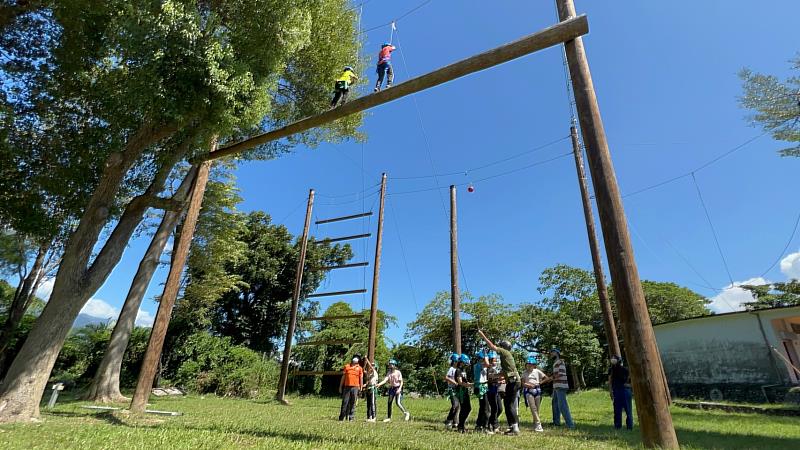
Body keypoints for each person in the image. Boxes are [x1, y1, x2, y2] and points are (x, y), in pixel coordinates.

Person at [478, 329, 521, 435]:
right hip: (514, 381)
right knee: (508, 404)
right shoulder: (506, 358)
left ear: (504, 347)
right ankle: (513, 427)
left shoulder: (505, 352)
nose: (499, 348)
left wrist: (482, 334)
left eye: (500, 346)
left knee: (509, 405)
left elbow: (492, 346)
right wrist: (495, 376)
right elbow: (504, 373)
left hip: (513, 381)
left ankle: (515, 428)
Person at [548, 348, 575, 429]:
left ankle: (570, 425)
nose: (551, 354)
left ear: (557, 353)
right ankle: (556, 422)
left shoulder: (560, 362)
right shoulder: (555, 363)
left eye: (552, 352)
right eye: (551, 353)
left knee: (562, 405)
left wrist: (550, 378)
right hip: (556, 386)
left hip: (561, 386)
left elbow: (560, 374)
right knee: (555, 404)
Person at [521, 355, 549, 432]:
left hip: (538, 390)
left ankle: (535, 424)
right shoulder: (524, 373)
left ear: (534, 365)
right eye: (528, 364)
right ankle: (538, 424)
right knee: (533, 408)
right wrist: (528, 385)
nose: (529, 366)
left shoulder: (537, 371)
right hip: (529, 391)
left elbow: (546, 378)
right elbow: (522, 383)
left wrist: (540, 383)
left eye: (531, 365)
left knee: (537, 409)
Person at [608, 355, 633, 430]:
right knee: (617, 410)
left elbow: (631, 379)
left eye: (614, 358)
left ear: (619, 360)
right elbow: (610, 381)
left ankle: (629, 426)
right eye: (612, 358)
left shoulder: (625, 370)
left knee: (628, 410)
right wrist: (611, 391)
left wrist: (629, 385)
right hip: (616, 390)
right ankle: (617, 426)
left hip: (625, 390)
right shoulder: (611, 370)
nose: (613, 360)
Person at [339, 354, 364, 421]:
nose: (355, 358)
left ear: (358, 360)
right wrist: (340, 386)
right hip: (347, 387)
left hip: (355, 387)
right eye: (354, 357)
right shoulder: (347, 366)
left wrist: (361, 388)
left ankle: (351, 418)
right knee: (345, 402)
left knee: (353, 403)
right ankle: (342, 417)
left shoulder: (360, 368)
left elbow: (361, 378)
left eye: (357, 358)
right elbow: (343, 377)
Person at [486, 350, 505, 434]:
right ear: (490, 360)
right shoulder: (488, 369)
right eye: (494, 360)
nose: (496, 362)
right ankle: (493, 426)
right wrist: (499, 379)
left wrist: (500, 380)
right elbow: (489, 379)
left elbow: (496, 378)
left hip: (496, 390)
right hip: (490, 391)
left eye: (496, 360)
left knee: (499, 409)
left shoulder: (495, 369)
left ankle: (491, 423)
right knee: (494, 408)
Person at [472, 350, 491, 433]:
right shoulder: (479, 365)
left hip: (480, 387)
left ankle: (478, 425)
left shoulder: (477, 365)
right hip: (481, 387)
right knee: (486, 408)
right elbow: (487, 364)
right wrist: (486, 356)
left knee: (482, 407)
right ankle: (485, 427)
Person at [455, 353, 473, 433]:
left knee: (468, 408)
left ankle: (461, 425)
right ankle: (460, 426)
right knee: (464, 408)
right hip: (461, 391)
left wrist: (469, 384)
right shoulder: (458, 370)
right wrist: (470, 385)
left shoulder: (463, 370)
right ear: (462, 362)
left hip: (465, 390)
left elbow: (465, 380)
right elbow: (460, 382)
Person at [444, 353, 461, 430]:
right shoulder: (451, 369)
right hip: (452, 389)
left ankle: (455, 422)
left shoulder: (458, 369)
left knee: (457, 407)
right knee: (454, 405)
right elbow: (446, 377)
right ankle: (448, 421)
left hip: (457, 390)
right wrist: (454, 382)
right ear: (454, 361)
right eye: (458, 361)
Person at [363, 357, 379, 423]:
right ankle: (369, 417)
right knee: (368, 404)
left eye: (373, 365)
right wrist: (365, 364)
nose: (372, 366)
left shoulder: (375, 373)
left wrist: (367, 360)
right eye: (372, 365)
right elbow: (363, 370)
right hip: (368, 389)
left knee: (372, 403)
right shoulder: (369, 374)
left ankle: (374, 417)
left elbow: (372, 368)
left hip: (373, 389)